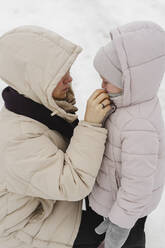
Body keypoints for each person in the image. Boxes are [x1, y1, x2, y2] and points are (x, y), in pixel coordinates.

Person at [0, 26, 112, 248]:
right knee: (124, 238)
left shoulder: (36, 107)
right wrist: (90, 125)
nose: (69, 80)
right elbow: (73, 184)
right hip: (27, 232)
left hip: (44, 208)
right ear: (33, 79)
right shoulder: (17, 140)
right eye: (59, 76)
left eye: (67, 71)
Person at [88, 21, 165, 248]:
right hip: (114, 201)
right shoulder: (131, 101)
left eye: (107, 80)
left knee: (128, 243)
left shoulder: (138, 125)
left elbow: (137, 187)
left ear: (129, 81)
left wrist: (118, 229)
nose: (101, 85)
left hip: (125, 215)